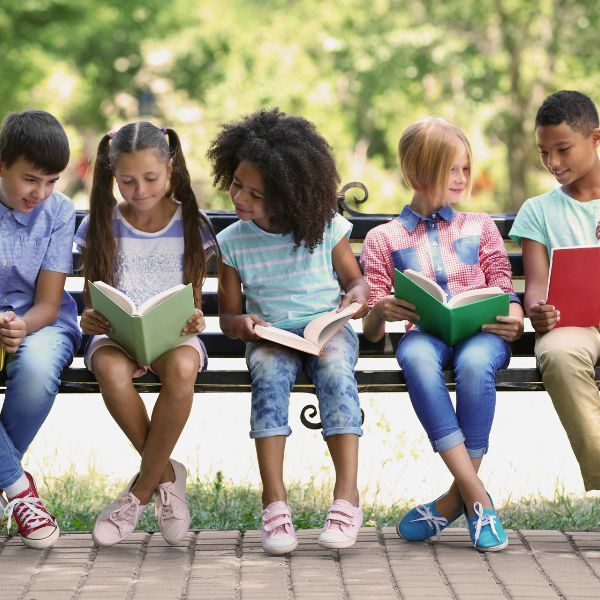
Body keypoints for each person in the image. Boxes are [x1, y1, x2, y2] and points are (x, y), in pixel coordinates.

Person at [208, 108, 369, 554]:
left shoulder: (325, 229)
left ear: (290, 197)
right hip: (271, 336)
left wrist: (355, 298)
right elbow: (228, 317)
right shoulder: (234, 242)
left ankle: (347, 496)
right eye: (237, 184)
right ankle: (274, 501)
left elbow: (354, 280)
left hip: (326, 330)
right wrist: (243, 325)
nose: (241, 198)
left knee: (336, 373)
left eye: (257, 195)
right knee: (269, 377)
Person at [361, 117, 524, 552]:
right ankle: (477, 499)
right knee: (413, 357)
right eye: (450, 168)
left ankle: (458, 500)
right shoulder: (383, 238)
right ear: (416, 172)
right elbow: (373, 332)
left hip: (482, 333)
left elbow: (504, 287)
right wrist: (380, 309)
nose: (461, 178)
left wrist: (514, 315)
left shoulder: (479, 225)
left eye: (465, 168)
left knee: (473, 364)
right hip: (425, 333)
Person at [75, 121, 218, 547]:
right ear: (113, 177)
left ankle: (138, 494)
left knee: (181, 370)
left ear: (171, 168)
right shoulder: (103, 224)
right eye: (127, 181)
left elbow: (195, 302)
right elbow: (91, 300)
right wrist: (89, 319)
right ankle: (167, 474)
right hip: (117, 337)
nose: (139, 190)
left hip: (173, 336)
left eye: (150, 178)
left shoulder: (192, 223)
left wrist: (195, 319)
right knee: (111, 371)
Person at [509, 90, 600, 491]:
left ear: (595, 139)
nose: (553, 163)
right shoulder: (539, 211)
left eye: (563, 149)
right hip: (573, 324)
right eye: (544, 152)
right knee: (557, 354)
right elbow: (536, 288)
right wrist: (538, 309)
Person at [0, 110, 81, 548]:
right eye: (31, 179)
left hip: (42, 321)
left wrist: (18, 326)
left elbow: (49, 303)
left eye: (52, 181)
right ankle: (16, 487)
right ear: (1, 163)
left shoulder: (57, 211)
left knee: (35, 369)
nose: (41, 193)